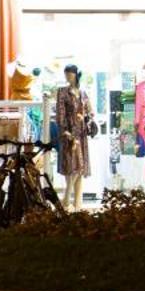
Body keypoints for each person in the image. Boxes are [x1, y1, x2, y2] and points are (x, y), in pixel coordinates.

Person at [54, 64, 94, 211]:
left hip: (81, 133)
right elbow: (60, 114)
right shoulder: (62, 92)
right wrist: (65, 131)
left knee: (80, 166)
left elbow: (90, 111)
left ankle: (76, 203)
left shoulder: (83, 93)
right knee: (71, 166)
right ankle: (66, 198)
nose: (68, 77)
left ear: (76, 75)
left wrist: (87, 117)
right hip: (69, 133)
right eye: (66, 74)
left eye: (70, 74)